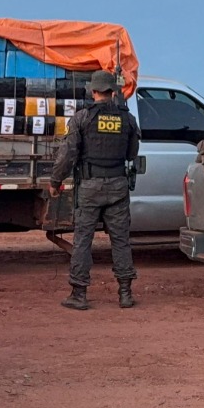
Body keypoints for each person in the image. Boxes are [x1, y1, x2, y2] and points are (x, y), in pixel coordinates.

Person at [48, 69, 141, 310]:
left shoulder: (82, 118)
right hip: (118, 185)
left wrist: (55, 182)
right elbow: (132, 154)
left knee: (82, 241)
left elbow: (67, 155)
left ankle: (79, 294)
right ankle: (125, 293)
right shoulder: (128, 119)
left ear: (93, 91)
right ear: (113, 92)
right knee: (121, 241)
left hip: (90, 187)